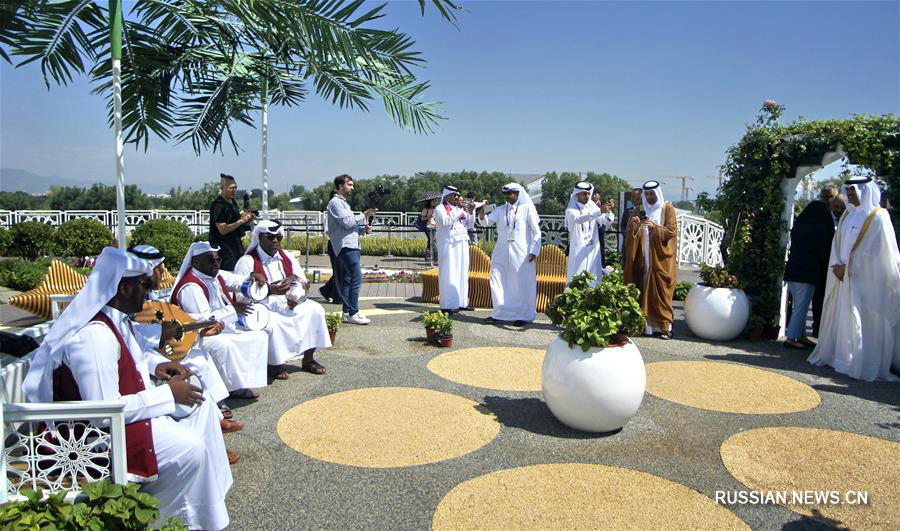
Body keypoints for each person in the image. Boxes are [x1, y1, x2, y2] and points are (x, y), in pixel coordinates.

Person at [23, 247, 232, 530]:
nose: (149, 293)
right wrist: (167, 395)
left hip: (119, 420)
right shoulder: (94, 336)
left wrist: (158, 367)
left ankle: (204, 509)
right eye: (144, 285)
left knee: (202, 407)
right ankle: (162, 520)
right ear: (123, 288)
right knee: (190, 450)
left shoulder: (117, 321)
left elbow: (138, 355)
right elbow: (102, 412)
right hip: (90, 439)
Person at [128, 245, 240, 433]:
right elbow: (137, 331)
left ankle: (215, 414)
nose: (163, 273)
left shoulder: (150, 295)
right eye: (159, 269)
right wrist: (162, 334)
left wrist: (199, 331)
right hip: (148, 355)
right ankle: (212, 418)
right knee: (195, 361)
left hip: (156, 351)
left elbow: (175, 321)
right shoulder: (131, 299)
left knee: (199, 355)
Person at [808, 176, 900, 381]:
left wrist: (848, 268)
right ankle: (839, 358)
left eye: (853, 190)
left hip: (866, 280)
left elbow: (879, 252)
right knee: (842, 318)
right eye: (847, 190)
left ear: (865, 191)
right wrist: (837, 266)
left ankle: (859, 362)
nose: (849, 193)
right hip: (842, 277)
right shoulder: (847, 216)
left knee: (862, 321)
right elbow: (837, 244)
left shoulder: (878, 216)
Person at [171, 242, 270, 399]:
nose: (216, 263)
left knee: (259, 336)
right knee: (223, 345)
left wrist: (252, 277)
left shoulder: (215, 275)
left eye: (218, 259)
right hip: (197, 336)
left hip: (224, 325)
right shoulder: (191, 286)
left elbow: (237, 281)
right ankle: (228, 389)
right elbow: (204, 321)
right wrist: (233, 310)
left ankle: (239, 384)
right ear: (195, 262)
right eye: (210, 260)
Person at [235, 220, 332, 379]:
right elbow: (240, 296)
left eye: (278, 237)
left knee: (316, 310)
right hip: (261, 305)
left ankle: (308, 359)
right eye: (270, 237)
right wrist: (268, 291)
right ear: (259, 237)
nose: (275, 241)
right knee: (273, 322)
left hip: (287, 302)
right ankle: (274, 364)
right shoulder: (247, 262)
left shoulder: (286, 256)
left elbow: (302, 281)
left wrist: (297, 296)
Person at [479, 183, 542, 325]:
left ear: (518, 194)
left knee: (520, 284)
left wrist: (534, 250)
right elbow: (486, 223)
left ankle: (524, 315)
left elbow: (536, 232)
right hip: (501, 251)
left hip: (522, 253)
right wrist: (482, 214)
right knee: (496, 280)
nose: (507, 196)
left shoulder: (526, 210)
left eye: (510, 193)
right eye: (506, 194)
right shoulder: (500, 210)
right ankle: (499, 313)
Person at [623, 180, 677, 339]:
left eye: (652, 193)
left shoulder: (667, 209)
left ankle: (664, 327)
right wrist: (634, 227)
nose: (649, 196)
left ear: (657, 193)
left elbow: (671, 232)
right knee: (642, 287)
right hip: (642, 256)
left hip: (660, 259)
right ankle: (646, 327)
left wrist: (654, 227)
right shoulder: (639, 210)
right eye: (646, 194)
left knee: (661, 291)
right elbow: (629, 235)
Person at [782, 201, 835, 349]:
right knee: (801, 306)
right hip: (807, 273)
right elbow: (823, 252)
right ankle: (791, 338)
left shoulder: (798, 227)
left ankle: (801, 335)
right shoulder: (818, 230)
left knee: (799, 306)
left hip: (792, 271)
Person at [326, 174, 376, 324]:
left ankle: (347, 312)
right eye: (350, 184)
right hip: (345, 246)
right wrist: (364, 215)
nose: (352, 188)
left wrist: (362, 230)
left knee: (348, 279)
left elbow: (348, 226)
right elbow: (347, 222)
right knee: (356, 277)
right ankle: (353, 312)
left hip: (351, 244)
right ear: (340, 186)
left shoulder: (344, 203)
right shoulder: (335, 203)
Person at [434, 185, 476, 313]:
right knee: (449, 273)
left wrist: (471, 211)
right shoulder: (440, 208)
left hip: (462, 242)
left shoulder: (460, 210)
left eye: (457, 195)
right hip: (448, 244)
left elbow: (470, 224)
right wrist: (459, 209)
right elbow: (446, 222)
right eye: (454, 195)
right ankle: (447, 305)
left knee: (462, 273)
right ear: (446, 196)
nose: (457, 197)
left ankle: (461, 302)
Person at [565, 182, 615, 283]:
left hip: (593, 249)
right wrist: (599, 211)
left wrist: (608, 211)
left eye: (588, 193)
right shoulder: (571, 210)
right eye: (584, 194)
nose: (587, 196)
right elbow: (578, 219)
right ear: (577, 194)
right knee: (577, 277)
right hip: (578, 250)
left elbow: (606, 222)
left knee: (594, 278)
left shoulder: (592, 207)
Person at [210, 174, 255, 271]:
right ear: (222, 188)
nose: (234, 190)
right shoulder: (218, 206)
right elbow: (223, 229)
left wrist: (247, 219)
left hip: (236, 248)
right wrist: (241, 220)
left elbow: (235, 221)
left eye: (235, 188)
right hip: (224, 251)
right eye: (231, 188)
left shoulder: (233, 202)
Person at [318, 190, 344, 305]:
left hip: (343, 243)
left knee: (344, 270)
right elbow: (327, 231)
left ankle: (326, 290)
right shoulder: (329, 214)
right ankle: (338, 297)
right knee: (339, 271)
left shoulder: (343, 211)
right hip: (334, 243)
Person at [591, 190, 614, 266]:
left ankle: (602, 265)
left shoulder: (603, 204)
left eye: (595, 194)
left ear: (599, 195)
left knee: (600, 246)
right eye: (592, 194)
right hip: (590, 228)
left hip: (600, 227)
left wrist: (608, 213)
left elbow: (609, 217)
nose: (594, 196)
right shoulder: (588, 205)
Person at [619, 187, 643, 252]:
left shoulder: (646, 211)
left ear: (641, 197)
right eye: (631, 196)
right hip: (627, 245)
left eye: (634, 196)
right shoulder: (627, 211)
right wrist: (628, 236)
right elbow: (622, 226)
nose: (631, 199)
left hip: (641, 246)